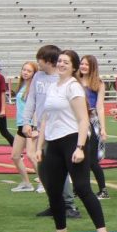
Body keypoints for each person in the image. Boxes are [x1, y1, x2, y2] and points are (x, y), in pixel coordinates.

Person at [34, 50, 111, 232]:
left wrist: (79, 147)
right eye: (60, 61)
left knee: (83, 188)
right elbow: (45, 118)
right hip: (54, 142)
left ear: (74, 67)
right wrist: (40, 145)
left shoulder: (74, 87)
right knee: (54, 190)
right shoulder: (53, 86)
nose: (61, 64)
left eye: (66, 62)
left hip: (73, 140)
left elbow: (83, 119)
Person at [25, 44, 77, 219]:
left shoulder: (60, 79)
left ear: (48, 60)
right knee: (43, 168)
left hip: (58, 130)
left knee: (58, 168)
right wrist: (27, 122)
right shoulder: (38, 76)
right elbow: (31, 99)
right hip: (41, 128)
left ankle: (69, 204)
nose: (38, 62)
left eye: (40, 58)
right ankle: (54, 202)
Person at [76, 54, 108, 199]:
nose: (83, 66)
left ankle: (103, 190)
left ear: (92, 67)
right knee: (78, 157)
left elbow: (100, 107)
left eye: (87, 64)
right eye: (82, 63)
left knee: (92, 160)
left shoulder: (98, 83)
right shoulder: (74, 81)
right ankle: (80, 189)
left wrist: (102, 127)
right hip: (76, 120)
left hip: (92, 119)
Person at [9, 61, 40, 193]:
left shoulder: (34, 87)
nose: (25, 72)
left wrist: (34, 127)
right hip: (21, 125)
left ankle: (45, 182)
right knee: (15, 156)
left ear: (34, 73)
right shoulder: (22, 86)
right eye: (24, 70)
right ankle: (26, 183)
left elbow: (37, 108)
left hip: (30, 125)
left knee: (31, 155)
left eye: (29, 71)